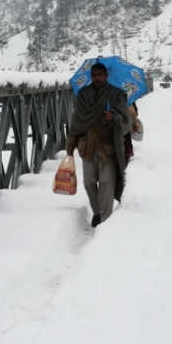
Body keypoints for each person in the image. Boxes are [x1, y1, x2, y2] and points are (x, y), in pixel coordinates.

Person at [66, 62, 133, 227]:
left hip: (108, 146)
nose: (97, 78)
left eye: (100, 74)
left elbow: (126, 119)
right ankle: (97, 211)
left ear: (106, 75)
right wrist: (70, 143)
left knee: (106, 183)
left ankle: (105, 220)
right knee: (88, 182)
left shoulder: (116, 95)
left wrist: (114, 117)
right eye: (94, 75)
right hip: (87, 146)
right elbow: (77, 120)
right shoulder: (83, 94)